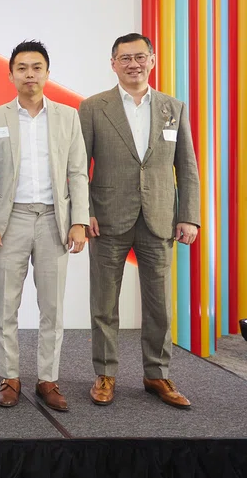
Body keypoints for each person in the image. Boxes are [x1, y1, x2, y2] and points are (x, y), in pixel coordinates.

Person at [79, 33, 200, 409]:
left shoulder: (172, 108)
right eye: (125, 58)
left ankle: (157, 374)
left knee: (159, 304)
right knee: (104, 303)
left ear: (152, 60)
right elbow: (78, 167)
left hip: (160, 218)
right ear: (113, 63)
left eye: (140, 57)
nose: (133, 64)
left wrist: (189, 217)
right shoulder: (93, 107)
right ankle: (105, 373)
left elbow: (188, 168)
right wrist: (84, 212)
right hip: (107, 218)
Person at [0, 40, 89, 412]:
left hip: (55, 220)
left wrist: (79, 222)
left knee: (52, 307)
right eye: (22, 68)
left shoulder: (68, 117)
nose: (29, 74)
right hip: (12, 220)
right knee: (6, 305)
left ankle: (47, 379)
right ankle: (9, 376)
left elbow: (77, 173)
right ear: (10, 74)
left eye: (36, 67)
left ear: (47, 73)